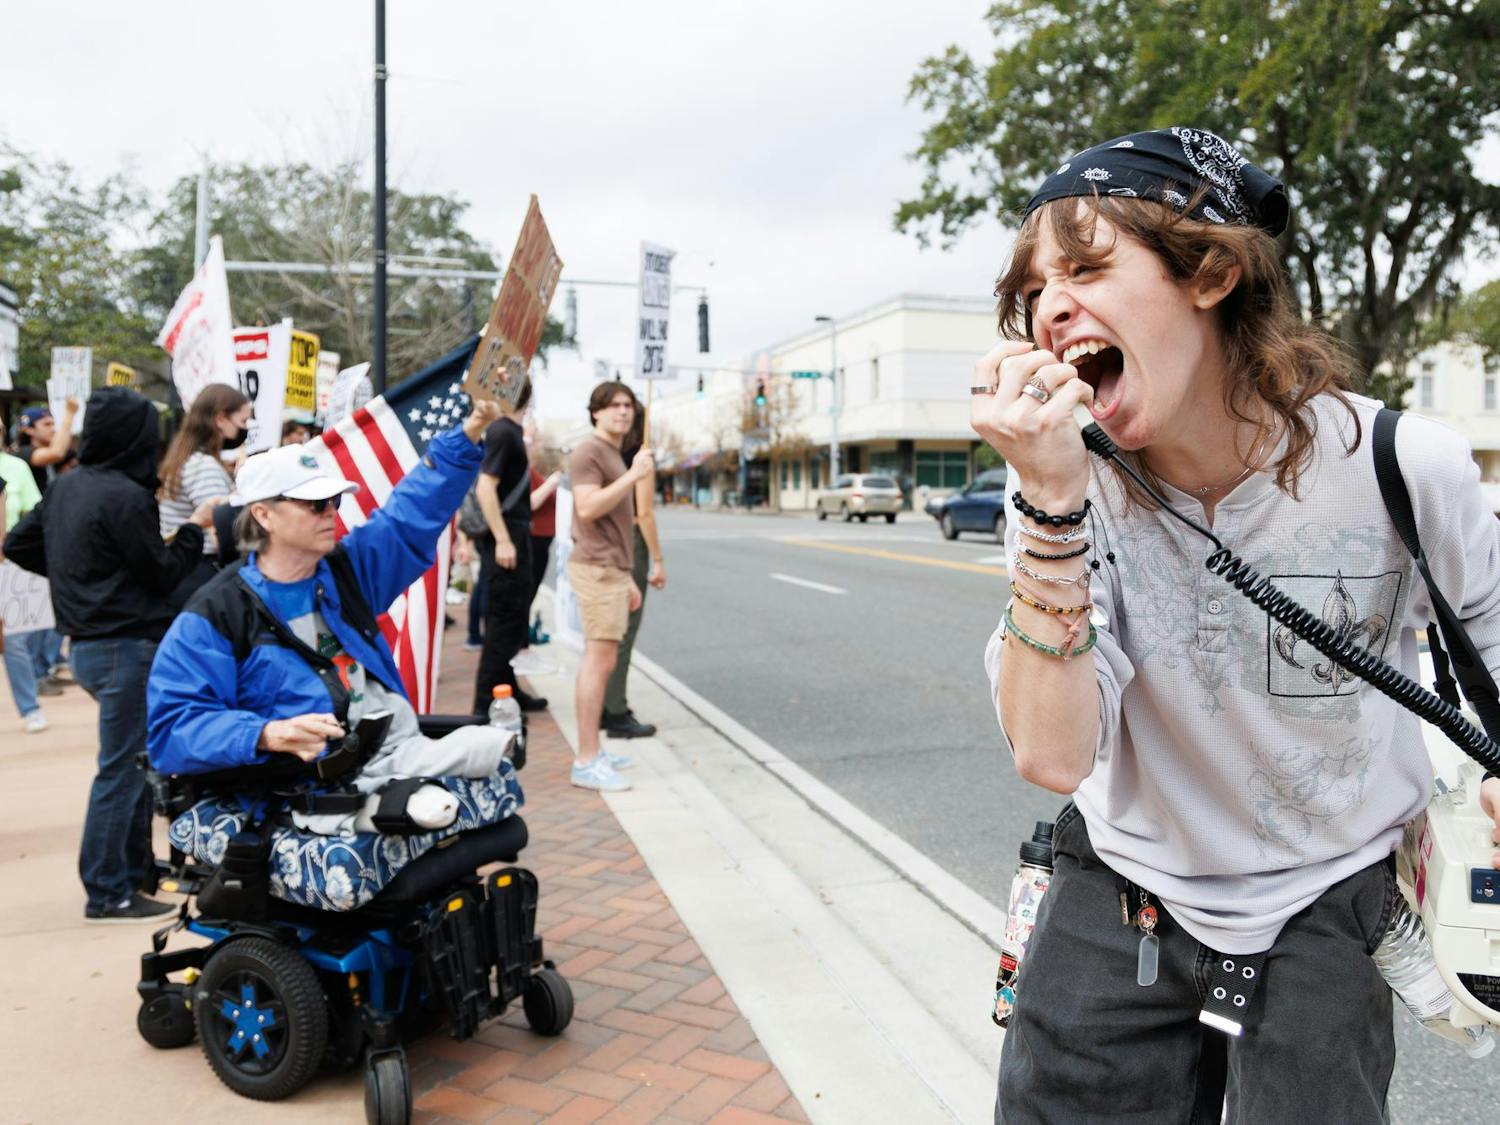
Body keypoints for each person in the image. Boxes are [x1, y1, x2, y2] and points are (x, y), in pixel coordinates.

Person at [972, 127, 1500, 1124]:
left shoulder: (1402, 464)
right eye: (1034, 289)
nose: (1049, 308)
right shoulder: (1060, 479)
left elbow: (1492, 633)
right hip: (1124, 879)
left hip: (1328, 893)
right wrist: (1050, 501)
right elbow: (1049, 751)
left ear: (1212, 272)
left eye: (1086, 268)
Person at [146, 399, 510, 829]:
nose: (331, 513)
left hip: (389, 751)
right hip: (305, 789)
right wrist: (264, 734)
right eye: (315, 504)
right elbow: (172, 729)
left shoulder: (347, 569)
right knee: (445, 803)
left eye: (334, 499)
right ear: (263, 514)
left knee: (500, 757)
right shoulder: (215, 613)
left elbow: (411, 515)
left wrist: (469, 431)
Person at [3, 387, 221, 923]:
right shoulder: (123, 495)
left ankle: (131, 876)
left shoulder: (69, 486)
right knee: (122, 772)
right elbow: (164, 571)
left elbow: (20, 544)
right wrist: (196, 526)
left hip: (92, 646)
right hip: (125, 645)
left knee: (132, 767)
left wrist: (82, 577)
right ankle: (108, 890)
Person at [566, 382, 654, 791]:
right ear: (596, 412)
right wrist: (634, 476)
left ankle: (595, 751)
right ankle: (586, 760)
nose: (623, 412)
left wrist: (627, 575)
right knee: (598, 662)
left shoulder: (613, 454)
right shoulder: (589, 452)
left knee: (604, 662)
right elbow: (586, 508)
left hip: (612, 569)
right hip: (596, 569)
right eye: (613, 405)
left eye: (628, 405)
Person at [470, 382, 547, 714]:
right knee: (502, 628)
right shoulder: (503, 432)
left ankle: (509, 691)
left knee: (512, 624)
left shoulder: (509, 431)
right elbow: (486, 488)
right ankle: (485, 708)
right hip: (506, 540)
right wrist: (502, 539)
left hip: (515, 536)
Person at [602, 388, 667, 738]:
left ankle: (604, 704)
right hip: (631, 544)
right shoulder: (640, 458)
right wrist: (658, 559)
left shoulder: (606, 454)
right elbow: (644, 513)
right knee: (624, 630)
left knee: (607, 631)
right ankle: (615, 709)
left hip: (606, 542)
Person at [157, 383, 251, 608]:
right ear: (220, 419)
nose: (246, 429)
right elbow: (222, 530)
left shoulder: (186, 459)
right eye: (243, 421)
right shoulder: (203, 467)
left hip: (185, 570)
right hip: (201, 571)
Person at [0, 449, 52, 732]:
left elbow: (32, 509)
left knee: (13, 639)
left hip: (5, 565)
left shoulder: (14, 468)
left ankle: (30, 706)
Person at [14, 401, 78, 494]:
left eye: (53, 424)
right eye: (47, 424)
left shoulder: (53, 450)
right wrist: (70, 414)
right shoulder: (22, 452)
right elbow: (56, 453)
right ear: (29, 430)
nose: (53, 429)